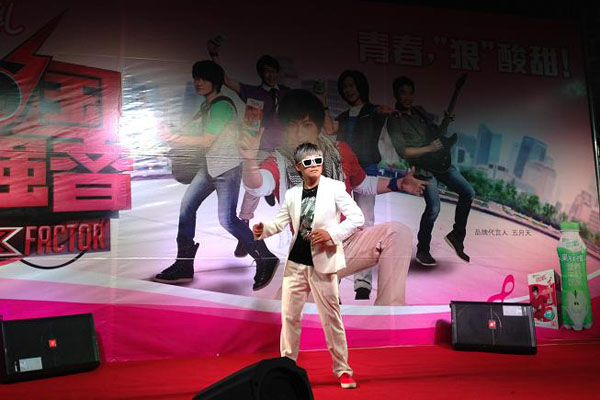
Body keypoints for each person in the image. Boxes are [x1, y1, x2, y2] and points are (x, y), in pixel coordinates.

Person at [240, 89, 429, 305]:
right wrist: (249, 160)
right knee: (286, 315)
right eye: (292, 125)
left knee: (397, 233)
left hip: (348, 244)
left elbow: (362, 184)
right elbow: (258, 186)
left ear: (318, 127)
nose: (299, 133)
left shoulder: (341, 152)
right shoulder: (279, 161)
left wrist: (398, 184)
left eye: (306, 125)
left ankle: (389, 310)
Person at [153, 60, 278, 290]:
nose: (198, 82)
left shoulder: (222, 106)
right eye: (196, 78)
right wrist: (172, 133)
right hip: (209, 166)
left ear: (216, 81)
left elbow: (207, 140)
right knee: (186, 207)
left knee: (227, 219)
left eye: (204, 78)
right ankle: (184, 264)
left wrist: (174, 137)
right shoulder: (207, 106)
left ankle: (265, 257)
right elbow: (195, 135)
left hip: (226, 168)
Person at [253, 142, 363, 389]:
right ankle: (287, 369)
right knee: (289, 318)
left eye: (318, 161)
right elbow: (279, 223)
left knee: (331, 318)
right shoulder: (292, 194)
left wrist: (332, 234)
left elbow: (357, 218)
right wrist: (263, 230)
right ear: (298, 166)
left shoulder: (335, 188)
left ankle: (343, 370)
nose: (314, 166)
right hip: (295, 264)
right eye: (308, 162)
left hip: (323, 263)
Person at [209, 42, 291, 258]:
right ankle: (244, 230)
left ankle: (294, 232)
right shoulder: (253, 92)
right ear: (261, 74)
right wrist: (214, 55)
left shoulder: (287, 94)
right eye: (267, 72)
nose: (271, 75)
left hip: (284, 150)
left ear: (278, 73)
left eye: (274, 71)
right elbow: (226, 80)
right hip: (261, 148)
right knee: (253, 188)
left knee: (292, 188)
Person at [387, 76, 475, 267]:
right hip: (424, 169)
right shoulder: (394, 120)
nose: (407, 97)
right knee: (434, 208)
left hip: (441, 163)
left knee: (468, 192)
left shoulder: (420, 111)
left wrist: (446, 121)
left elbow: (437, 134)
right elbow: (403, 151)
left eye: (410, 93)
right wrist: (428, 148)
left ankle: (456, 236)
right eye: (403, 93)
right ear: (396, 95)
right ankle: (423, 250)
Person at [326, 70, 392, 300]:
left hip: (366, 172)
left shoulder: (373, 111)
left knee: (364, 224)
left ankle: (362, 282)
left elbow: (385, 113)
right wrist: (323, 101)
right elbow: (329, 129)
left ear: (361, 87)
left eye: (352, 85)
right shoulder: (344, 116)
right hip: (343, 173)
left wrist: (386, 111)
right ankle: (333, 277)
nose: (348, 90)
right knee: (338, 224)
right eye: (345, 87)